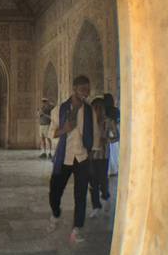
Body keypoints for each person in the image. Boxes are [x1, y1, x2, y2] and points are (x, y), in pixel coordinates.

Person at [47, 74, 99, 243]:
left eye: (88, 89)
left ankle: (77, 228)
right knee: (55, 190)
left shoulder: (89, 111)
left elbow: (95, 134)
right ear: (75, 89)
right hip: (64, 156)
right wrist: (65, 129)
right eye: (83, 89)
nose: (86, 92)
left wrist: (91, 157)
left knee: (81, 194)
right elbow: (51, 133)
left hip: (81, 157)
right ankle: (55, 214)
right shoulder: (60, 110)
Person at [88, 95, 118, 216]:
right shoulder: (88, 122)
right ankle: (96, 206)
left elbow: (117, 136)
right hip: (90, 156)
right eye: (95, 108)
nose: (98, 111)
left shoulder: (109, 121)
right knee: (92, 181)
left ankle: (106, 197)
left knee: (102, 179)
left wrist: (107, 139)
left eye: (100, 108)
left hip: (103, 155)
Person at [104, 92, 121, 177]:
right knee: (114, 152)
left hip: (108, 132)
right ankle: (114, 170)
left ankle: (109, 170)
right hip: (114, 132)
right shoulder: (116, 110)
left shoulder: (104, 110)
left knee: (109, 153)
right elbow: (118, 122)